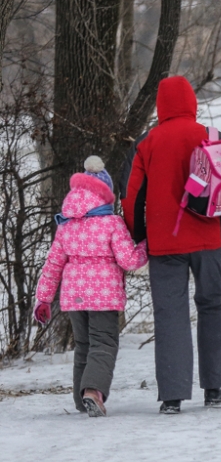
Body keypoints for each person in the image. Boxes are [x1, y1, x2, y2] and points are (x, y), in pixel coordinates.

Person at [122, 75, 221, 415]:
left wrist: (136, 236)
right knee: (211, 305)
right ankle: (216, 388)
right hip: (209, 238)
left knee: (171, 315)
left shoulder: (147, 142)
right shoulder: (213, 137)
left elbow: (133, 196)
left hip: (165, 244)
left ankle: (172, 395)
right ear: (192, 102)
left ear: (161, 105)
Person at [34, 156, 149, 417]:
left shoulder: (66, 226)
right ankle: (92, 392)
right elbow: (129, 260)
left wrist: (43, 299)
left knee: (84, 346)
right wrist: (146, 246)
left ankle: (80, 398)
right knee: (104, 344)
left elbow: (52, 266)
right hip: (104, 296)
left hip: (74, 297)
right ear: (105, 196)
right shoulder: (112, 224)